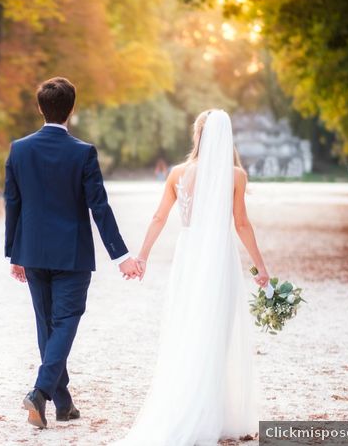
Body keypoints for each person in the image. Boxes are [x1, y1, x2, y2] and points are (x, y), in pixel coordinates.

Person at [116, 109, 270, 445]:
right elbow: (242, 224)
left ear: (197, 135)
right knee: (216, 329)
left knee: (187, 327)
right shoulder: (235, 176)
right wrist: (260, 267)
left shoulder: (177, 173)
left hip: (189, 255)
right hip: (218, 255)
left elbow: (159, 216)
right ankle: (209, 411)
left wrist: (142, 255)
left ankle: (191, 405)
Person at [4, 77, 143, 430]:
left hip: (33, 251)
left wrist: (14, 252)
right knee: (64, 323)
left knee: (46, 325)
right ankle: (40, 393)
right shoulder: (83, 152)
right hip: (72, 254)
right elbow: (100, 207)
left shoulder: (19, 149)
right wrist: (121, 255)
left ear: (40, 108)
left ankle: (63, 403)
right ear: (72, 108)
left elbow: (13, 204)